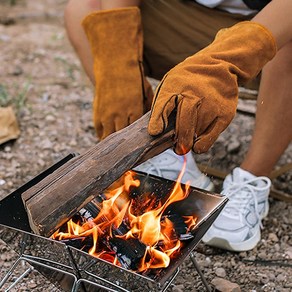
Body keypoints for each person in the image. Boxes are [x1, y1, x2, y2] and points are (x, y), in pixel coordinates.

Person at [64, 0, 292, 252]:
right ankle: (164, 153)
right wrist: (117, 65)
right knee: (85, 10)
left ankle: (252, 178)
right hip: (195, 21)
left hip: (275, 29)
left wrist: (221, 61)